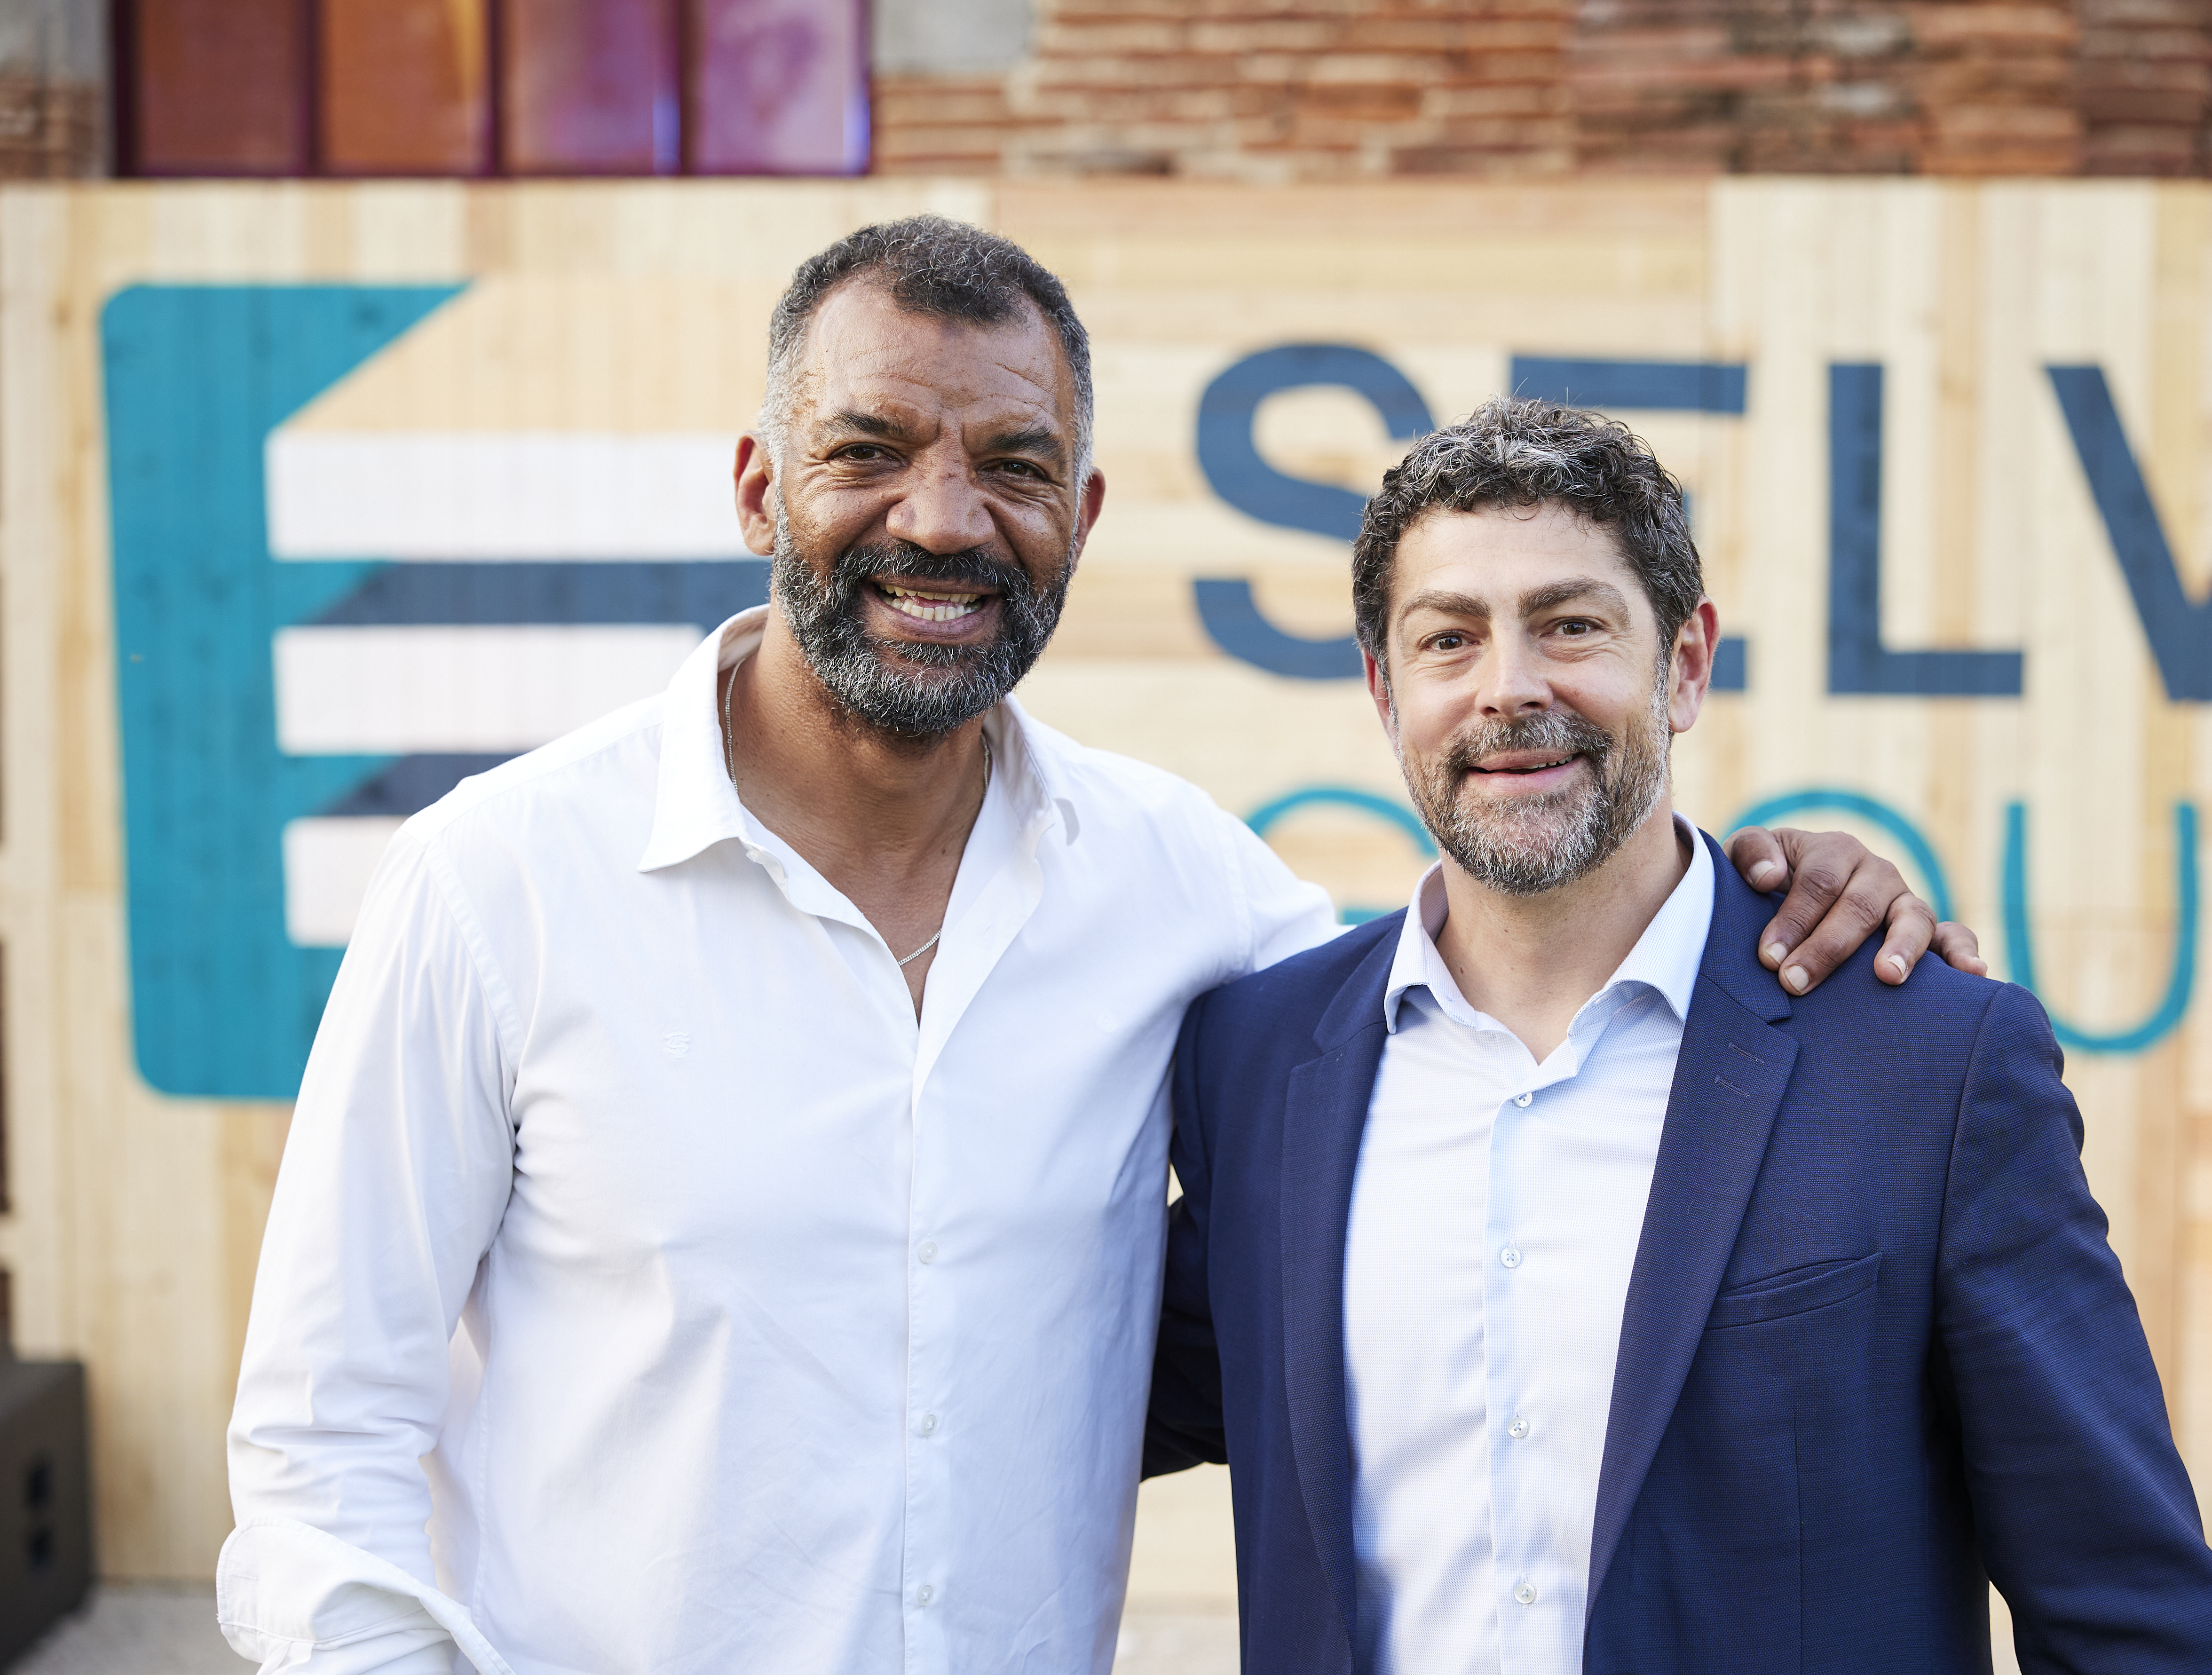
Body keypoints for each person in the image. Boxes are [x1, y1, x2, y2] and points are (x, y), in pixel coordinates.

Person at [220, 219, 1978, 1675]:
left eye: (1012, 465)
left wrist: (1770, 881)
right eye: (868, 450)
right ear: (760, 480)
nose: (941, 517)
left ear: (1085, 512)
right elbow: (319, 1454)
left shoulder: (1184, 891)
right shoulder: (493, 885)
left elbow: (1512, 995)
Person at [1147, 397, 2212, 1673]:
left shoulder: (1930, 1068)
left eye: (1572, 624)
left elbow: (2128, 1613)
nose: (1511, 686)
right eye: (1451, 638)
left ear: (1684, 663)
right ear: (1386, 688)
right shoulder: (1257, 1064)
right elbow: (1046, 1376)